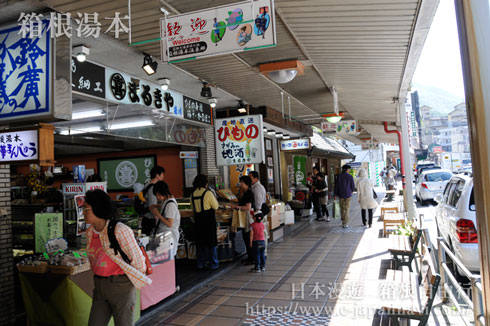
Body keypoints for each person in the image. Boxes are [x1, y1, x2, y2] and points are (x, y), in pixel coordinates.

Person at [85, 189, 151, 326]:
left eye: (86, 208)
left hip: (121, 286)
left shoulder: (120, 230)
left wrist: (129, 283)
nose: (84, 213)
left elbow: (139, 262)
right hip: (100, 286)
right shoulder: (90, 232)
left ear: (97, 209)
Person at [191, 174, 220, 270]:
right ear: (205, 183)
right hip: (208, 222)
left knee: (200, 242)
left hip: (198, 221)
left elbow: (192, 208)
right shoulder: (208, 193)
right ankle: (213, 263)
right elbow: (215, 206)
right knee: (211, 242)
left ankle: (200, 263)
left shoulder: (193, 194)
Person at [150, 181, 180, 257]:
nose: (157, 197)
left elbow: (170, 224)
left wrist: (157, 214)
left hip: (169, 236)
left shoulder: (170, 205)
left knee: (167, 260)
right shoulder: (167, 201)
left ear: (163, 192)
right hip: (166, 236)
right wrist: (158, 206)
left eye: (158, 194)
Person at [232, 175, 254, 265]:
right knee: (246, 237)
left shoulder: (249, 193)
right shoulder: (244, 192)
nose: (240, 184)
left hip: (247, 218)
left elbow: (248, 207)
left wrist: (236, 207)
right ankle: (250, 257)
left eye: (241, 182)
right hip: (244, 218)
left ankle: (251, 258)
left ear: (246, 184)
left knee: (248, 238)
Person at [142, 166, 165, 235]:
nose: (163, 176)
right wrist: (157, 220)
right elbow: (152, 206)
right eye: (162, 174)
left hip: (147, 218)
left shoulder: (147, 184)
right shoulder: (152, 187)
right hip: (151, 220)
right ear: (157, 175)